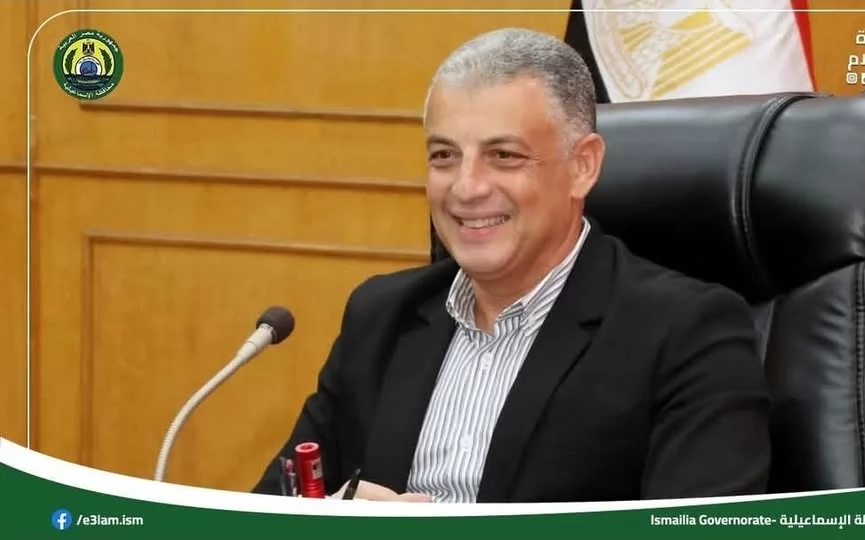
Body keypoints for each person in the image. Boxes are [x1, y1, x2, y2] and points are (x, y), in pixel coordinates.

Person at [252, 27, 770, 503]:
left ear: (583, 166)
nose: (466, 188)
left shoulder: (686, 333)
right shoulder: (382, 315)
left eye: (503, 156)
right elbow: (269, 509)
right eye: (444, 156)